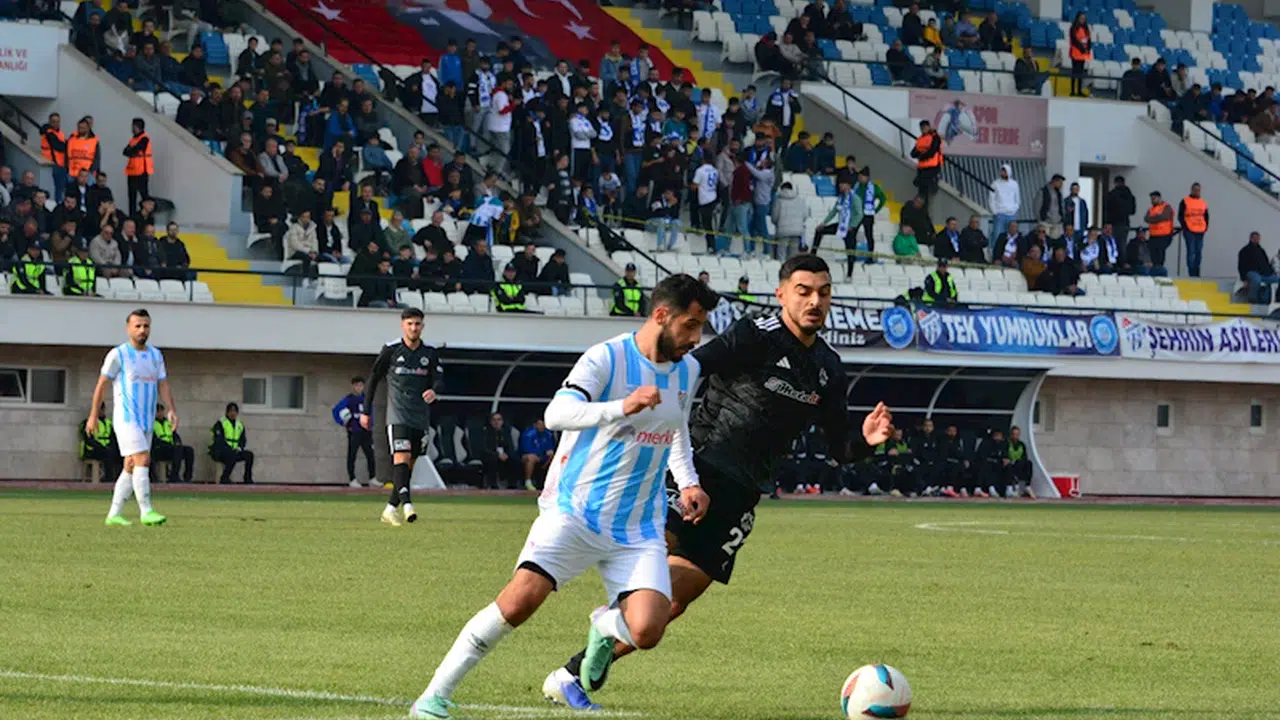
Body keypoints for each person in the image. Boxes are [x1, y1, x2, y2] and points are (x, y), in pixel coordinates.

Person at [544, 256, 893, 709]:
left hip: (743, 493)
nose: (814, 301)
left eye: (823, 293)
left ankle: (571, 673)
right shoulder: (753, 335)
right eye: (804, 291)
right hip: (698, 469)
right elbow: (686, 369)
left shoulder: (829, 367)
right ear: (781, 294)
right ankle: (575, 589)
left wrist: (867, 441)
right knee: (651, 565)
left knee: (673, 604)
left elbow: (840, 448)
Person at [410, 274, 718, 719]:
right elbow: (557, 413)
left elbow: (677, 429)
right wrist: (622, 406)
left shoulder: (688, 370)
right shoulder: (607, 357)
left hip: (638, 525)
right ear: (661, 315)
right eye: (690, 325)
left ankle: (604, 627)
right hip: (576, 511)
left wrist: (688, 481)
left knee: (648, 630)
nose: (696, 338)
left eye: (701, 327)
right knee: (519, 601)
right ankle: (433, 697)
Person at [87, 309, 175, 526]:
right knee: (143, 458)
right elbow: (101, 385)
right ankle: (146, 510)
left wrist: (171, 409)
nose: (142, 330)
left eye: (146, 326)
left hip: (147, 420)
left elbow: (163, 384)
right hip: (126, 419)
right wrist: (93, 416)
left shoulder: (156, 355)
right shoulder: (118, 354)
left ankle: (114, 514)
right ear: (128, 329)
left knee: (131, 464)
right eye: (138, 326)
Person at [362, 308, 442, 527]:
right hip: (397, 415)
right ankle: (407, 506)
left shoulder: (430, 352)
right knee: (401, 457)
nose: (413, 328)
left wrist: (434, 390)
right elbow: (373, 379)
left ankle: (390, 508)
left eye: (417, 324)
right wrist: (366, 411)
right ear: (402, 326)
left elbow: (439, 379)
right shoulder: (391, 350)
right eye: (409, 324)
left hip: (420, 417)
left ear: (422, 326)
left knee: (409, 465)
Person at [334, 376, 378, 488]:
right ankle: (352, 479)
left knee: (370, 455)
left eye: (361, 385)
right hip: (354, 431)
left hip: (366, 431)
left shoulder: (367, 399)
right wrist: (342, 422)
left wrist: (370, 425)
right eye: (357, 385)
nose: (359, 388)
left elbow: (371, 412)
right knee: (352, 455)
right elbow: (336, 410)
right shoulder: (349, 399)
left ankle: (372, 478)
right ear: (353, 386)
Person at [849, 166, 886, 265]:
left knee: (869, 236)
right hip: (857, 214)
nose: (860, 178)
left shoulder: (874, 187)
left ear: (867, 177)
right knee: (852, 234)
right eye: (859, 176)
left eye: (862, 177)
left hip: (867, 215)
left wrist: (876, 210)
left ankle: (870, 257)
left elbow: (883, 198)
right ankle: (851, 255)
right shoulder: (856, 186)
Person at [80, 403, 122, 484]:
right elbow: (89, 440)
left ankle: (118, 478)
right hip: (92, 450)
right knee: (107, 454)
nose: (100, 412)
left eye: (101, 409)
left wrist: (112, 447)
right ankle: (108, 478)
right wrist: (103, 447)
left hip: (106, 448)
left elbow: (113, 438)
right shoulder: (89, 422)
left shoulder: (108, 423)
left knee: (120, 454)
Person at [151, 403, 193, 483]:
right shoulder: (152, 423)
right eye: (158, 411)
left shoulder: (168, 423)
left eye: (161, 411)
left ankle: (187, 477)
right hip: (159, 449)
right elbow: (154, 439)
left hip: (171, 448)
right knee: (177, 449)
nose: (160, 413)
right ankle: (174, 476)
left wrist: (178, 442)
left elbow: (174, 435)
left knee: (189, 450)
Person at [121, 118, 152, 216]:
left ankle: (147, 216)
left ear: (136, 126)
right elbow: (125, 152)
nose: (131, 128)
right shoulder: (133, 139)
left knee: (144, 196)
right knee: (132, 197)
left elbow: (134, 150)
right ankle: (132, 217)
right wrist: (131, 150)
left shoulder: (144, 138)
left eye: (132, 126)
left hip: (141, 171)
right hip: (132, 171)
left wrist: (131, 150)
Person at [1238, 232, 1278, 304]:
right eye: (1255, 238)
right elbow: (1241, 266)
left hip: (1263, 273)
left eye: (1258, 238)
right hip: (1251, 272)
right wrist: (1244, 279)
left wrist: (1272, 272)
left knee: (1276, 279)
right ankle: (1252, 300)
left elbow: (1266, 263)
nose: (1256, 240)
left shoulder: (1261, 250)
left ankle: (1266, 300)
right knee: (1257, 280)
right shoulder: (1244, 251)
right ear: (1251, 238)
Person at [988, 164, 1019, 257]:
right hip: (1000, 214)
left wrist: (1014, 209)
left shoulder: (1014, 184)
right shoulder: (995, 184)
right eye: (1002, 171)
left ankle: (1009, 255)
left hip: (1011, 215)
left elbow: (1017, 199)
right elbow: (991, 199)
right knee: (997, 235)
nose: (1003, 173)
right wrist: (995, 212)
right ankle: (995, 256)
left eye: (1004, 171)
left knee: (1012, 236)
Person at [910, 120, 942, 208]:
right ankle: (921, 207)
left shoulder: (935, 137)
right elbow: (913, 153)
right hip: (922, 167)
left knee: (925, 189)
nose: (923, 129)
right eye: (921, 128)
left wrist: (921, 155)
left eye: (925, 127)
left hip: (932, 167)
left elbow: (932, 151)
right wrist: (921, 154)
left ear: (928, 127)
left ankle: (924, 208)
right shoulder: (920, 139)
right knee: (921, 189)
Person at [1178, 182, 1209, 277]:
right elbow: (1180, 216)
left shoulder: (1203, 202)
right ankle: (1192, 274)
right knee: (1191, 252)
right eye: (1195, 190)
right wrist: (1185, 227)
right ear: (1191, 190)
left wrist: (1205, 227)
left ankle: (1196, 273)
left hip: (1200, 230)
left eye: (1198, 190)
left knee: (1198, 253)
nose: (1197, 191)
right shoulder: (1185, 201)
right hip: (1189, 230)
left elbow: (1206, 216)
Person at [519, 417, 556, 491]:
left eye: (543, 424)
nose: (542, 426)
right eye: (540, 424)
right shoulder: (528, 434)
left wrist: (548, 453)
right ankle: (528, 482)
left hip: (542, 456)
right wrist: (540, 454)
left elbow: (550, 448)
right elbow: (527, 449)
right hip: (527, 456)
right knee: (531, 457)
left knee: (554, 457)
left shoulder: (548, 434)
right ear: (535, 425)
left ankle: (551, 483)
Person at [1104, 176, 1135, 256]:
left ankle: (1115, 261)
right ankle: (1123, 261)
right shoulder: (1129, 195)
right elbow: (1132, 211)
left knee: (1113, 244)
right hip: (1125, 222)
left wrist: (1107, 222)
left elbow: (1107, 209)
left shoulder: (1112, 194)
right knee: (1122, 244)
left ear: (1115, 183)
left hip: (1114, 223)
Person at [1144, 191, 1174, 269]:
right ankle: (1155, 270)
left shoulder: (1166, 207)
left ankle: (1160, 270)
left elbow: (1164, 217)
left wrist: (1153, 219)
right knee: (1153, 255)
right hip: (1153, 235)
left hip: (1164, 235)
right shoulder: (1151, 209)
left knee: (1160, 255)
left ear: (1159, 198)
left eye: (1154, 198)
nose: (1152, 200)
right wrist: (1157, 218)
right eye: (1151, 199)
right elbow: (1146, 218)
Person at [1005, 426, 1033, 498]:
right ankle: (1010, 489)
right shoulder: (1007, 443)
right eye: (1014, 434)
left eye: (1017, 434)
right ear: (1011, 435)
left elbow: (1024, 456)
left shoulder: (1021, 444)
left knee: (1029, 463)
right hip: (1010, 464)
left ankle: (1027, 486)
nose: (1015, 436)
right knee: (1009, 466)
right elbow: (1005, 456)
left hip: (1019, 464)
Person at [1068, 12, 1091, 97]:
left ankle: (1079, 91)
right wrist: (1082, 49)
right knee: (1075, 71)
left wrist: (1088, 49)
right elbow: (1074, 40)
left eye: (1084, 18)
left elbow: (1089, 39)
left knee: (1081, 72)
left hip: (1083, 54)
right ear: (1077, 18)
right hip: (1075, 52)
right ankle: (1072, 91)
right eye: (1081, 18)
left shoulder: (1086, 28)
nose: (1083, 20)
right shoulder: (1073, 28)